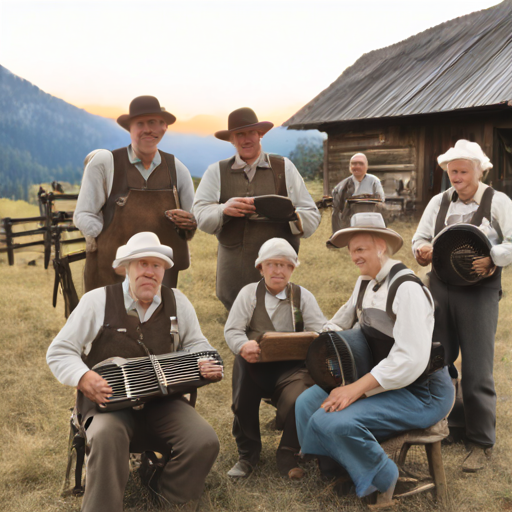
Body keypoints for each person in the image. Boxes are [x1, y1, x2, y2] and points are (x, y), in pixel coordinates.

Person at [46, 232, 223, 512]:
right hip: (108, 407)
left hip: (163, 403)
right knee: (105, 437)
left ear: (164, 271)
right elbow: (59, 351)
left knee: (204, 441)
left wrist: (201, 361)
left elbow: (198, 345)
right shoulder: (97, 301)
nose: (150, 272)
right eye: (142, 264)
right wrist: (83, 377)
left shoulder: (178, 302)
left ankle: (167, 495)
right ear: (126, 267)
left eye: (157, 266)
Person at [296, 213, 453, 508]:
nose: (354, 256)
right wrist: (321, 343)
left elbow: (409, 359)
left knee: (329, 419)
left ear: (380, 246)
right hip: (384, 380)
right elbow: (341, 320)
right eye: (351, 250)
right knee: (307, 403)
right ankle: (340, 472)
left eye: (360, 249)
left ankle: (383, 476)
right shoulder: (366, 282)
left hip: (421, 391)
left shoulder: (406, 289)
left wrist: (355, 389)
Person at [412, 139, 512, 472]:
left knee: (477, 366)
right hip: (440, 287)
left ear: (479, 170)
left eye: (463, 171)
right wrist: (422, 250)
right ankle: (452, 426)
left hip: (479, 291)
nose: (456, 177)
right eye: (452, 171)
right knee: (440, 358)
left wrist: (493, 259)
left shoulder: (497, 201)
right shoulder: (439, 202)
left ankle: (481, 441)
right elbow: (419, 238)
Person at [193, 107, 321, 310]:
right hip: (234, 266)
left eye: (251, 132)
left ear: (260, 134)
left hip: (276, 264)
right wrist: (223, 210)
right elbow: (199, 214)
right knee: (238, 321)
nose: (246, 140)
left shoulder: (284, 168)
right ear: (232, 140)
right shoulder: (216, 171)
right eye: (239, 134)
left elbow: (311, 213)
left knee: (275, 319)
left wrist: (292, 216)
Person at [224, 238, 327, 479]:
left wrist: (317, 338)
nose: (278, 270)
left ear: (292, 269)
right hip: (255, 366)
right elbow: (232, 330)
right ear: (260, 268)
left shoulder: (303, 296)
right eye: (271, 264)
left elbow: (321, 331)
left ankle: (289, 451)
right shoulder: (249, 294)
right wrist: (242, 345)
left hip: (293, 370)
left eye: (284, 265)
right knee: (242, 400)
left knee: (300, 399)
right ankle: (248, 455)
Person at [74, 95, 197, 292]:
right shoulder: (105, 164)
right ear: (130, 128)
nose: (148, 129)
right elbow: (84, 214)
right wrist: (107, 244)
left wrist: (189, 223)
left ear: (164, 127)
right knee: (109, 320)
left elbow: (192, 220)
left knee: (157, 321)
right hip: (111, 274)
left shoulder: (177, 170)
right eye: (140, 123)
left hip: (158, 278)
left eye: (153, 123)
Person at [331, 153, 385, 232]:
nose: (357, 166)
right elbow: (336, 212)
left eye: (361, 164)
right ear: (350, 167)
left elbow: (381, 202)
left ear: (366, 167)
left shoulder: (374, 181)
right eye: (354, 164)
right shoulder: (340, 187)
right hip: (349, 224)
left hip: (371, 223)